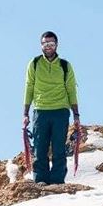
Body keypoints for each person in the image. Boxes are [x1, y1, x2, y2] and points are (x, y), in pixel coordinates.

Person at [22, 31, 80, 185]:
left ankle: (57, 181)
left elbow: (71, 90)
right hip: (40, 111)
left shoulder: (65, 66)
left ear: (56, 45)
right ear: (41, 45)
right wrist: (25, 113)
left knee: (59, 148)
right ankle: (40, 180)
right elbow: (29, 87)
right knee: (39, 148)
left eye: (51, 44)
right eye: (45, 44)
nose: (48, 47)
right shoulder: (34, 64)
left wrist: (76, 115)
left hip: (60, 111)